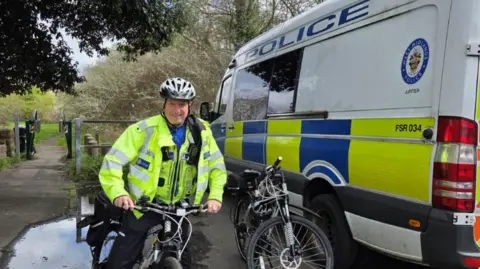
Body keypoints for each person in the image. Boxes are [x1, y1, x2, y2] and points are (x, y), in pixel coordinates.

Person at [98, 77, 227, 269]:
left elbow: (217, 167)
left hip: (179, 209)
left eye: (182, 104)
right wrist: (119, 193)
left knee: (184, 262)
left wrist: (215, 196)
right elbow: (112, 162)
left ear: (190, 105)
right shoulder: (143, 130)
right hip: (143, 208)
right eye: (172, 103)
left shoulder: (201, 133)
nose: (177, 110)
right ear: (164, 104)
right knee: (120, 262)